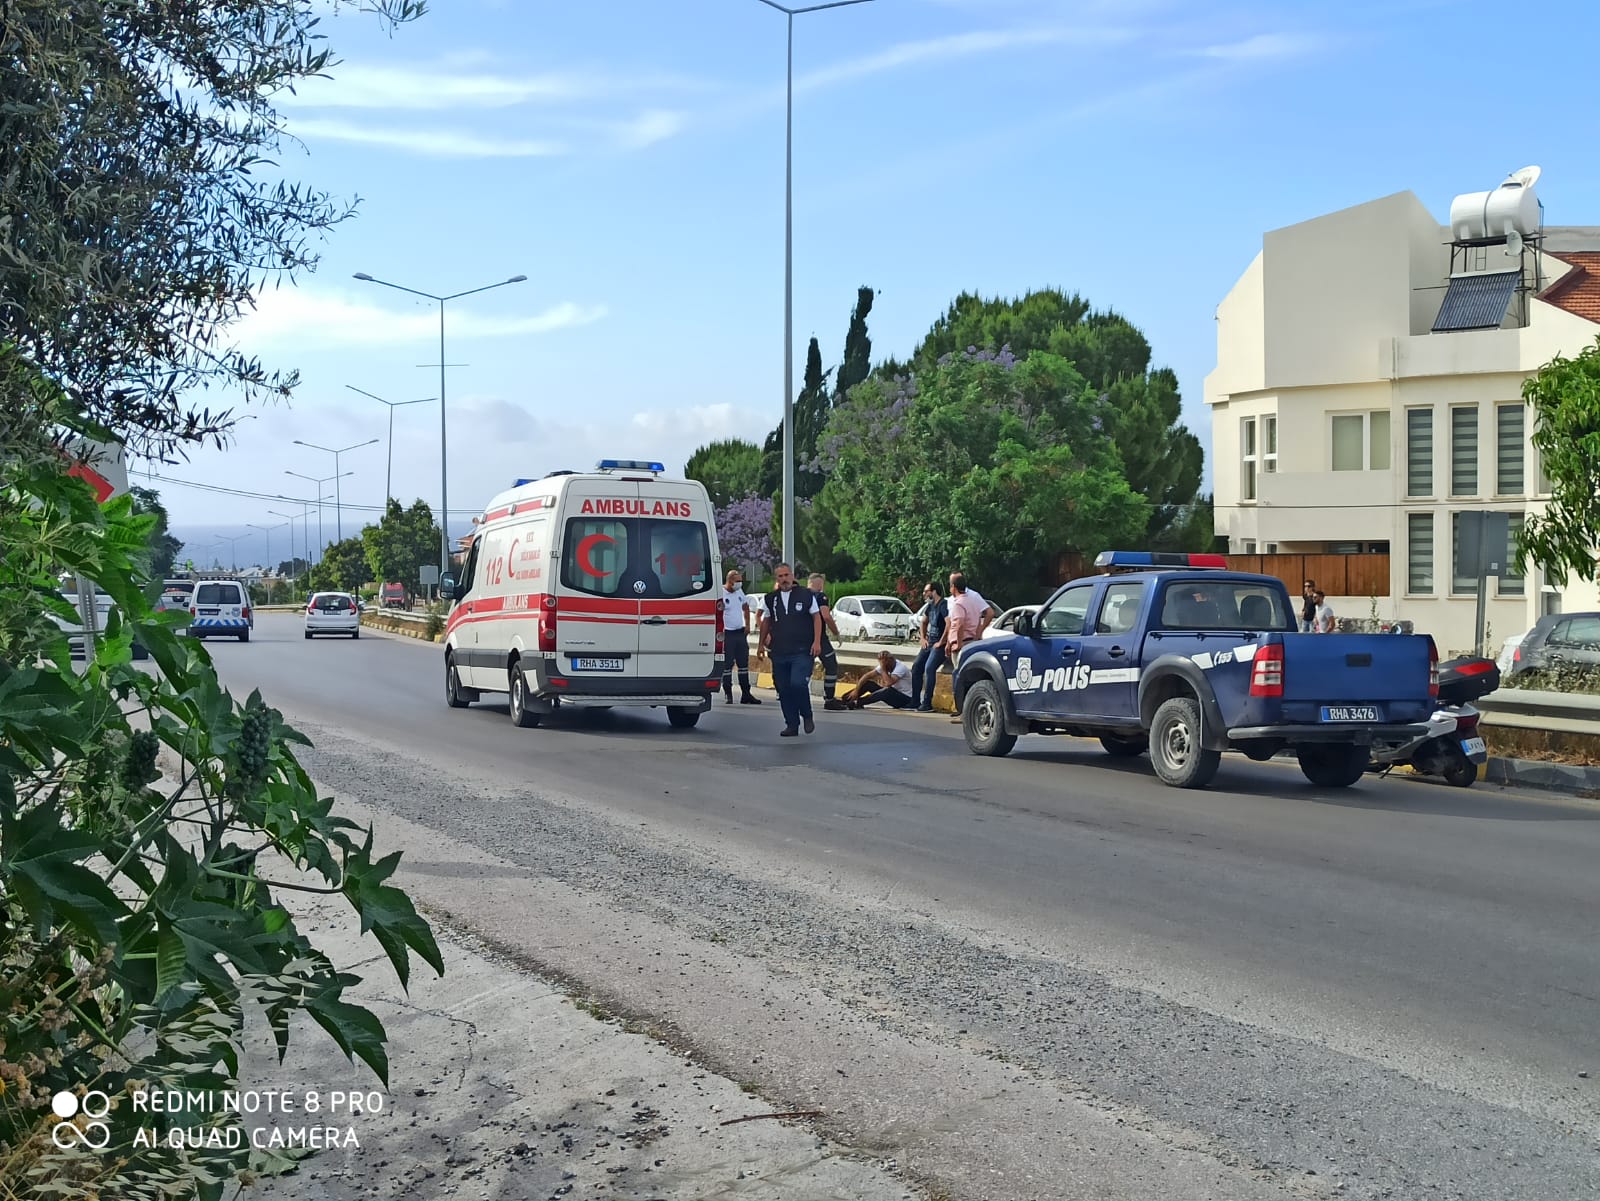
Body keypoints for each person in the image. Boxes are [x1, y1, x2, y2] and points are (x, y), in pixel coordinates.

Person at [758, 563, 822, 737]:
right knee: (784, 688)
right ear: (776, 579)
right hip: (779, 651)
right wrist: (760, 644)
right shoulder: (771, 598)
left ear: (792, 576)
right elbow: (765, 622)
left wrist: (817, 642)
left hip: (802, 650)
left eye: (786, 575)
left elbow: (817, 617)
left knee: (798, 683)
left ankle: (807, 715)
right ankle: (791, 724)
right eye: (780, 576)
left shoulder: (806, 595)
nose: (784, 579)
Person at [718, 569, 761, 706]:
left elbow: (745, 607)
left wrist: (748, 624)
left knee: (743, 664)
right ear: (729, 581)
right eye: (737, 581)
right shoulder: (721, 593)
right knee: (727, 665)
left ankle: (746, 694)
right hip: (727, 634)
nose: (740, 583)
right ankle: (728, 694)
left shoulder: (739, 593)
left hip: (740, 633)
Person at [809, 573, 845, 712]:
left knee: (805, 668)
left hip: (803, 638)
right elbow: (826, 616)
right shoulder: (820, 597)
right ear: (820, 584)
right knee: (831, 666)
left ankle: (800, 697)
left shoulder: (801, 595)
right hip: (820, 639)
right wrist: (836, 633)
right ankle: (829, 699)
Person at [911, 582, 949, 712]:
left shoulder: (943, 605)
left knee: (929, 668)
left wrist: (942, 641)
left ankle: (927, 702)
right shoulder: (930, 606)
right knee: (916, 667)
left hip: (939, 644)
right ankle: (915, 700)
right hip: (929, 642)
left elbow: (949, 624)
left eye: (926, 591)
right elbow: (924, 622)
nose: (924, 594)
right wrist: (923, 638)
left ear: (933, 592)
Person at [839, 650, 917, 709]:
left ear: (890, 660)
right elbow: (866, 676)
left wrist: (883, 667)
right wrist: (856, 691)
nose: (885, 667)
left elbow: (888, 683)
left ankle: (857, 703)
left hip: (905, 699)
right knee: (869, 683)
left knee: (887, 690)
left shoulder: (900, 667)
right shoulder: (885, 665)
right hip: (892, 694)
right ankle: (846, 699)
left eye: (885, 664)